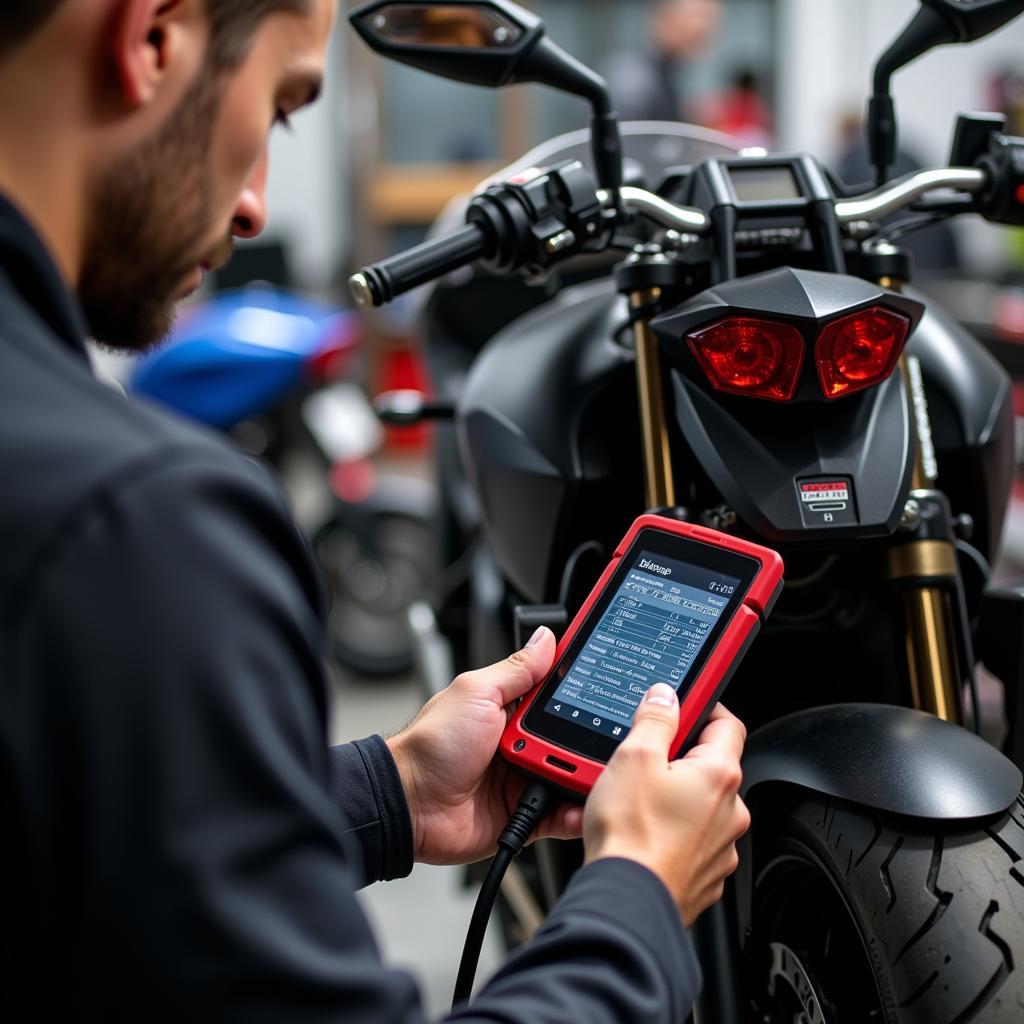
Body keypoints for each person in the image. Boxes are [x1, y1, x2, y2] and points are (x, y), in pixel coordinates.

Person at [0, 1, 751, 1021]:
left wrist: (387, 790)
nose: (257, 203)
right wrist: (641, 896)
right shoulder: (139, 527)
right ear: (153, 37)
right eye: (281, 104)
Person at [604, 0, 721, 123]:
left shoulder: (664, 75)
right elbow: (628, 137)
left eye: (713, 20)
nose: (706, 28)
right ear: (667, 17)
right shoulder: (633, 76)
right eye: (700, 16)